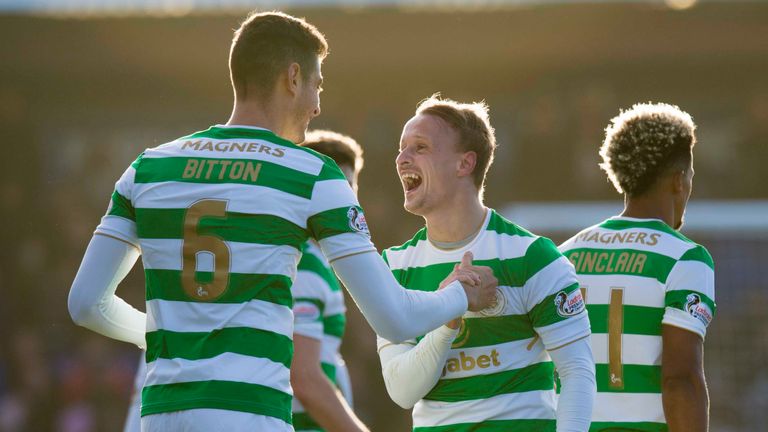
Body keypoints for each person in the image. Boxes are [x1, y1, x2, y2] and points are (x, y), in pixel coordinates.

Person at [67, 12, 497, 432]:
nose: (317, 106)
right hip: (248, 414)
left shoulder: (147, 168)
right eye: (316, 85)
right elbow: (395, 318)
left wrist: (160, 333)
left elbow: (85, 303)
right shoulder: (309, 173)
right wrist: (460, 294)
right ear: (293, 77)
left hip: (161, 414)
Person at [376, 95, 595, 431]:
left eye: (420, 147)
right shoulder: (394, 265)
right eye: (401, 148)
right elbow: (402, 391)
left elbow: (577, 371)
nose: (402, 159)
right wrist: (450, 314)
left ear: (464, 164)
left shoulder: (532, 256)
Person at [558, 102, 715, 432]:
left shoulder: (563, 255)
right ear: (678, 181)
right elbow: (680, 380)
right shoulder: (684, 258)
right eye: (690, 176)